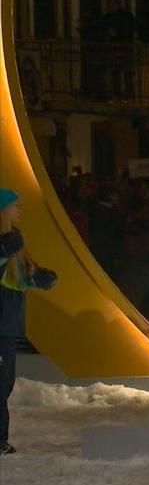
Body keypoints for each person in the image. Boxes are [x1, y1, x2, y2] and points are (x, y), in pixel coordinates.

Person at [1, 186, 60, 455]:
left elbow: (22, 273)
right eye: (15, 205)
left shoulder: (14, 239)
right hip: (2, 322)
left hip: (7, 323)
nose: (19, 210)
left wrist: (40, 277)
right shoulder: (7, 242)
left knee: (5, 382)